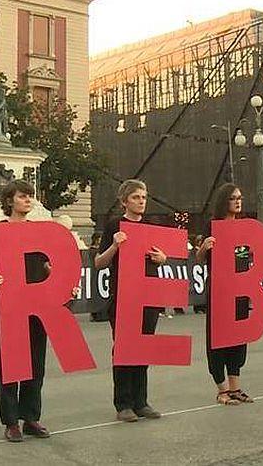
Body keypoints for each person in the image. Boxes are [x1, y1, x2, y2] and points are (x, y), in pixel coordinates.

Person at [0, 180, 54, 443]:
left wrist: (57, 275)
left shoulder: (40, 231)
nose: (28, 200)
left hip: (37, 303)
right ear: (9, 201)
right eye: (22, 196)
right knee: (10, 363)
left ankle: (31, 417)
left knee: (35, 361)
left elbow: (46, 264)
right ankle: (11, 422)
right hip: (8, 304)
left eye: (30, 196)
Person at [94, 179, 166, 423]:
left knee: (143, 348)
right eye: (136, 197)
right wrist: (115, 245)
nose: (141, 201)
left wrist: (162, 258)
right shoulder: (114, 225)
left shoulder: (151, 225)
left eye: (144, 197)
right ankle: (123, 403)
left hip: (149, 294)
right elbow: (99, 262)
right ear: (124, 201)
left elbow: (163, 255)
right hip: (123, 295)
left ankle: (141, 401)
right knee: (124, 349)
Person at [196, 183, 254, 405]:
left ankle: (235, 387)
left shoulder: (244, 227)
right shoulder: (213, 226)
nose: (238, 201)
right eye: (233, 198)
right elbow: (200, 259)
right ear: (223, 201)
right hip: (220, 290)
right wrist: (205, 247)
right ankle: (222, 389)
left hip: (240, 289)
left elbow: (249, 256)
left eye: (240, 197)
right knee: (218, 339)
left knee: (238, 339)